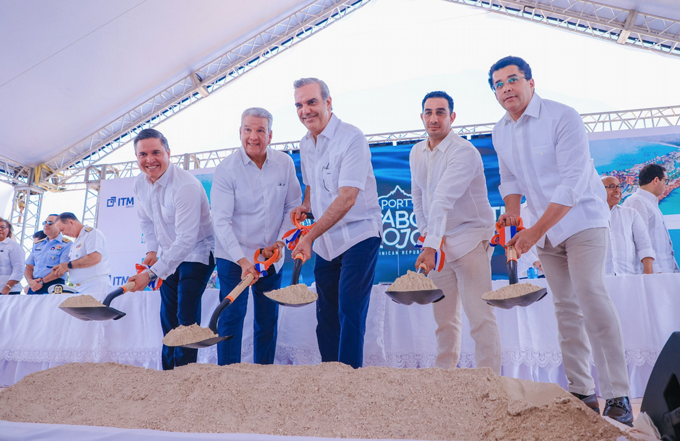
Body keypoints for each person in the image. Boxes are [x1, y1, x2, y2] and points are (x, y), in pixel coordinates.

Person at [489, 56, 633, 425]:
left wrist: (533, 232)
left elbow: (572, 184)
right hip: (545, 229)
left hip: (583, 219)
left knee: (590, 294)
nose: (506, 88)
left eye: (512, 80)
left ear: (531, 82)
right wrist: (513, 215)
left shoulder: (562, 116)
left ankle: (617, 394)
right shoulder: (500, 131)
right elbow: (510, 181)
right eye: (498, 84)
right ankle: (581, 392)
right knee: (565, 308)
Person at [290, 78, 382, 369]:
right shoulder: (305, 143)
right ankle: (330, 378)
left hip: (359, 235)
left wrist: (308, 237)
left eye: (311, 102)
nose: (305, 110)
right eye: (299, 105)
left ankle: (349, 381)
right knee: (326, 315)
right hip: (326, 242)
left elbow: (347, 198)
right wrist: (306, 205)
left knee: (350, 310)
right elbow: (311, 183)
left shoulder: (352, 138)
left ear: (328, 102)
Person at [410, 91, 501, 373]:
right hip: (438, 244)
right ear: (422, 116)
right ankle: (444, 379)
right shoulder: (416, 152)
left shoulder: (464, 151)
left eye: (440, 112)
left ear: (452, 117)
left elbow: (441, 200)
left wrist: (430, 246)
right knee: (444, 319)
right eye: (428, 112)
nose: (433, 118)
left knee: (480, 316)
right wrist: (428, 235)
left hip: (470, 238)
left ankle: (490, 381)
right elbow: (418, 195)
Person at [211, 107, 302, 365]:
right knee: (231, 316)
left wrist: (280, 243)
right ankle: (229, 375)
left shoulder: (284, 163)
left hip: (271, 255)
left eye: (260, 130)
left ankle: (264, 375)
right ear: (240, 132)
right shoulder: (226, 169)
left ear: (270, 135)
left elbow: (292, 206)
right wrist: (243, 261)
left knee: (267, 318)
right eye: (248, 130)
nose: (253, 136)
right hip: (234, 256)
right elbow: (221, 221)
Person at [127, 128, 215, 371]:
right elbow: (147, 221)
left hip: (198, 252)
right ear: (136, 157)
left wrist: (151, 274)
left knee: (186, 315)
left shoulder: (185, 185)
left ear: (168, 152)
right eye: (143, 154)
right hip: (168, 254)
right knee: (168, 317)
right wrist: (151, 251)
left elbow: (187, 239)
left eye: (156, 152)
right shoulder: (139, 183)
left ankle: (185, 375)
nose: (149, 160)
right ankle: (168, 376)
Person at [622, 164, 679, 273]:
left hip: (665, 272)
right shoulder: (637, 202)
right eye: (665, 181)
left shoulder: (651, 203)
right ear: (656, 180)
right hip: (654, 273)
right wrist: (654, 271)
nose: (666, 185)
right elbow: (640, 241)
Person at [602, 176, 655, 275]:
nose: (617, 190)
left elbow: (644, 245)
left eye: (619, 186)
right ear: (599, 190)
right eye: (612, 187)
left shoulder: (631, 213)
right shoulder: (591, 216)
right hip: (600, 278)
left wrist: (649, 277)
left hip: (629, 276)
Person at [52, 212, 111, 294]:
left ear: (71, 222)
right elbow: (78, 263)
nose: (63, 234)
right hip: (80, 287)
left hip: (94, 285)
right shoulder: (77, 240)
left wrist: (68, 265)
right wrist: (63, 268)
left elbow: (95, 258)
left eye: (62, 229)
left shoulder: (91, 233)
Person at [25, 214, 73, 294]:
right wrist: (30, 281)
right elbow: (29, 266)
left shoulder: (67, 244)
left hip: (54, 285)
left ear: (58, 226)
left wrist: (41, 281)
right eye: (45, 222)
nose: (46, 225)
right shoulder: (38, 244)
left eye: (50, 223)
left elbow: (62, 268)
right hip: (34, 285)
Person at [0, 218, 25, 295]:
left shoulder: (14, 246)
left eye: (2, 227)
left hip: (8, 291)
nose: (0, 229)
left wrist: (7, 287)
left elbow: (18, 269)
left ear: (8, 230)